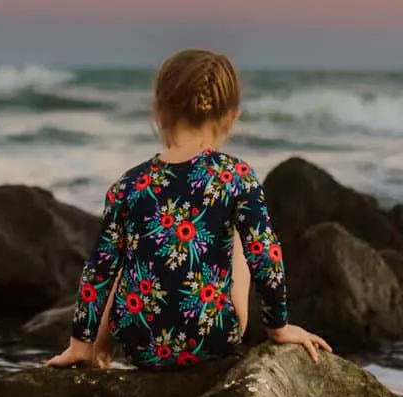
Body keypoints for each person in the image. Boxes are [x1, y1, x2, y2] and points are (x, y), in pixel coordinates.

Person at [46, 48, 330, 369]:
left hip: (139, 343)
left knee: (128, 253)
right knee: (239, 237)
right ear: (231, 116)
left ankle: (97, 350)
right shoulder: (236, 177)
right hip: (212, 339)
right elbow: (265, 255)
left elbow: (98, 269)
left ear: (159, 111)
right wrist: (278, 327)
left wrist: (78, 342)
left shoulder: (129, 184)